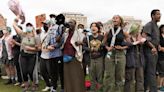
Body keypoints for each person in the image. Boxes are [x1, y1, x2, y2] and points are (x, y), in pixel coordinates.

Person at [102, 15, 129, 92]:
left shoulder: (124, 32)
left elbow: (130, 44)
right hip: (110, 54)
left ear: (120, 21)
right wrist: (107, 47)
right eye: (113, 18)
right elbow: (103, 43)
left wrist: (122, 48)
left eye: (116, 18)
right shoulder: (108, 32)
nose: (114, 19)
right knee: (109, 76)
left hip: (120, 54)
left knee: (120, 76)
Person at [13, 18, 40, 91]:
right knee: (24, 71)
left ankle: (34, 85)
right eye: (27, 26)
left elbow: (39, 48)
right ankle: (26, 85)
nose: (28, 27)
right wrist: (16, 19)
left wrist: (30, 48)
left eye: (30, 26)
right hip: (23, 56)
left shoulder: (36, 37)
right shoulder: (23, 35)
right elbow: (14, 26)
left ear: (32, 27)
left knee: (30, 71)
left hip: (32, 56)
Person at [63, 19, 85, 92]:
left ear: (75, 24)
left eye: (71, 22)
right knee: (68, 76)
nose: (69, 23)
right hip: (66, 57)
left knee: (76, 76)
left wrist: (80, 43)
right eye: (68, 22)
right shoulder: (65, 33)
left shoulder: (80, 34)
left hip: (75, 57)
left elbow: (84, 43)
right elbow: (60, 43)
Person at [142, 9, 161, 92]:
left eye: (160, 14)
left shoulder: (156, 26)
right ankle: (153, 90)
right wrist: (153, 47)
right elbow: (144, 37)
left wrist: (158, 46)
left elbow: (154, 39)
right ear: (152, 16)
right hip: (150, 51)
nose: (160, 16)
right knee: (151, 72)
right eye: (157, 14)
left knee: (152, 71)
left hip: (155, 50)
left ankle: (148, 89)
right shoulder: (149, 25)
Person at [83, 22, 104, 91]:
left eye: (95, 26)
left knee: (100, 76)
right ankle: (93, 89)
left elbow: (105, 47)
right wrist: (90, 49)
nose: (93, 28)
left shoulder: (102, 37)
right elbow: (84, 47)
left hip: (100, 58)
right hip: (91, 59)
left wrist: (100, 48)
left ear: (98, 28)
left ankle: (100, 89)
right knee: (92, 77)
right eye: (92, 26)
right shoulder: (87, 38)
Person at [124, 23, 145, 92]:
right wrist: (137, 42)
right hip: (131, 60)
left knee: (140, 78)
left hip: (139, 60)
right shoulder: (128, 37)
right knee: (130, 79)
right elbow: (128, 44)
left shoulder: (140, 37)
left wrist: (140, 40)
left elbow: (144, 41)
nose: (139, 31)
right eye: (137, 29)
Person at [40, 20, 52, 92]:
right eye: (43, 24)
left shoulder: (52, 33)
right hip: (42, 55)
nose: (44, 26)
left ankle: (53, 86)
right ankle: (48, 85)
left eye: (46, 24)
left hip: (50, 56)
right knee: (42, 72)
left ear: (49, 25)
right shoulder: (42, 33)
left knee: (51, 73)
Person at [157, 25, 164, 91]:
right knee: (162, 72)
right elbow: (159, 48)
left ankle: (162, 86)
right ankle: (160, 86)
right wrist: (162, 49)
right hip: (161, 57)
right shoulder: (159, 37)